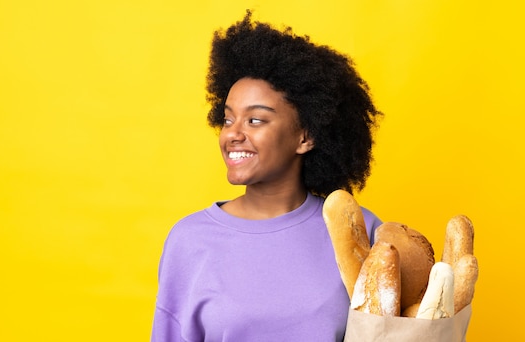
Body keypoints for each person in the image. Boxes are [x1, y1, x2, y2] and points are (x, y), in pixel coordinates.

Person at [151, 11, 384, 342]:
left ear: (306, 137)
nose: (233, 134)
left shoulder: (359, 231)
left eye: (255, 120)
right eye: (228, 119)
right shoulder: (189, 240)